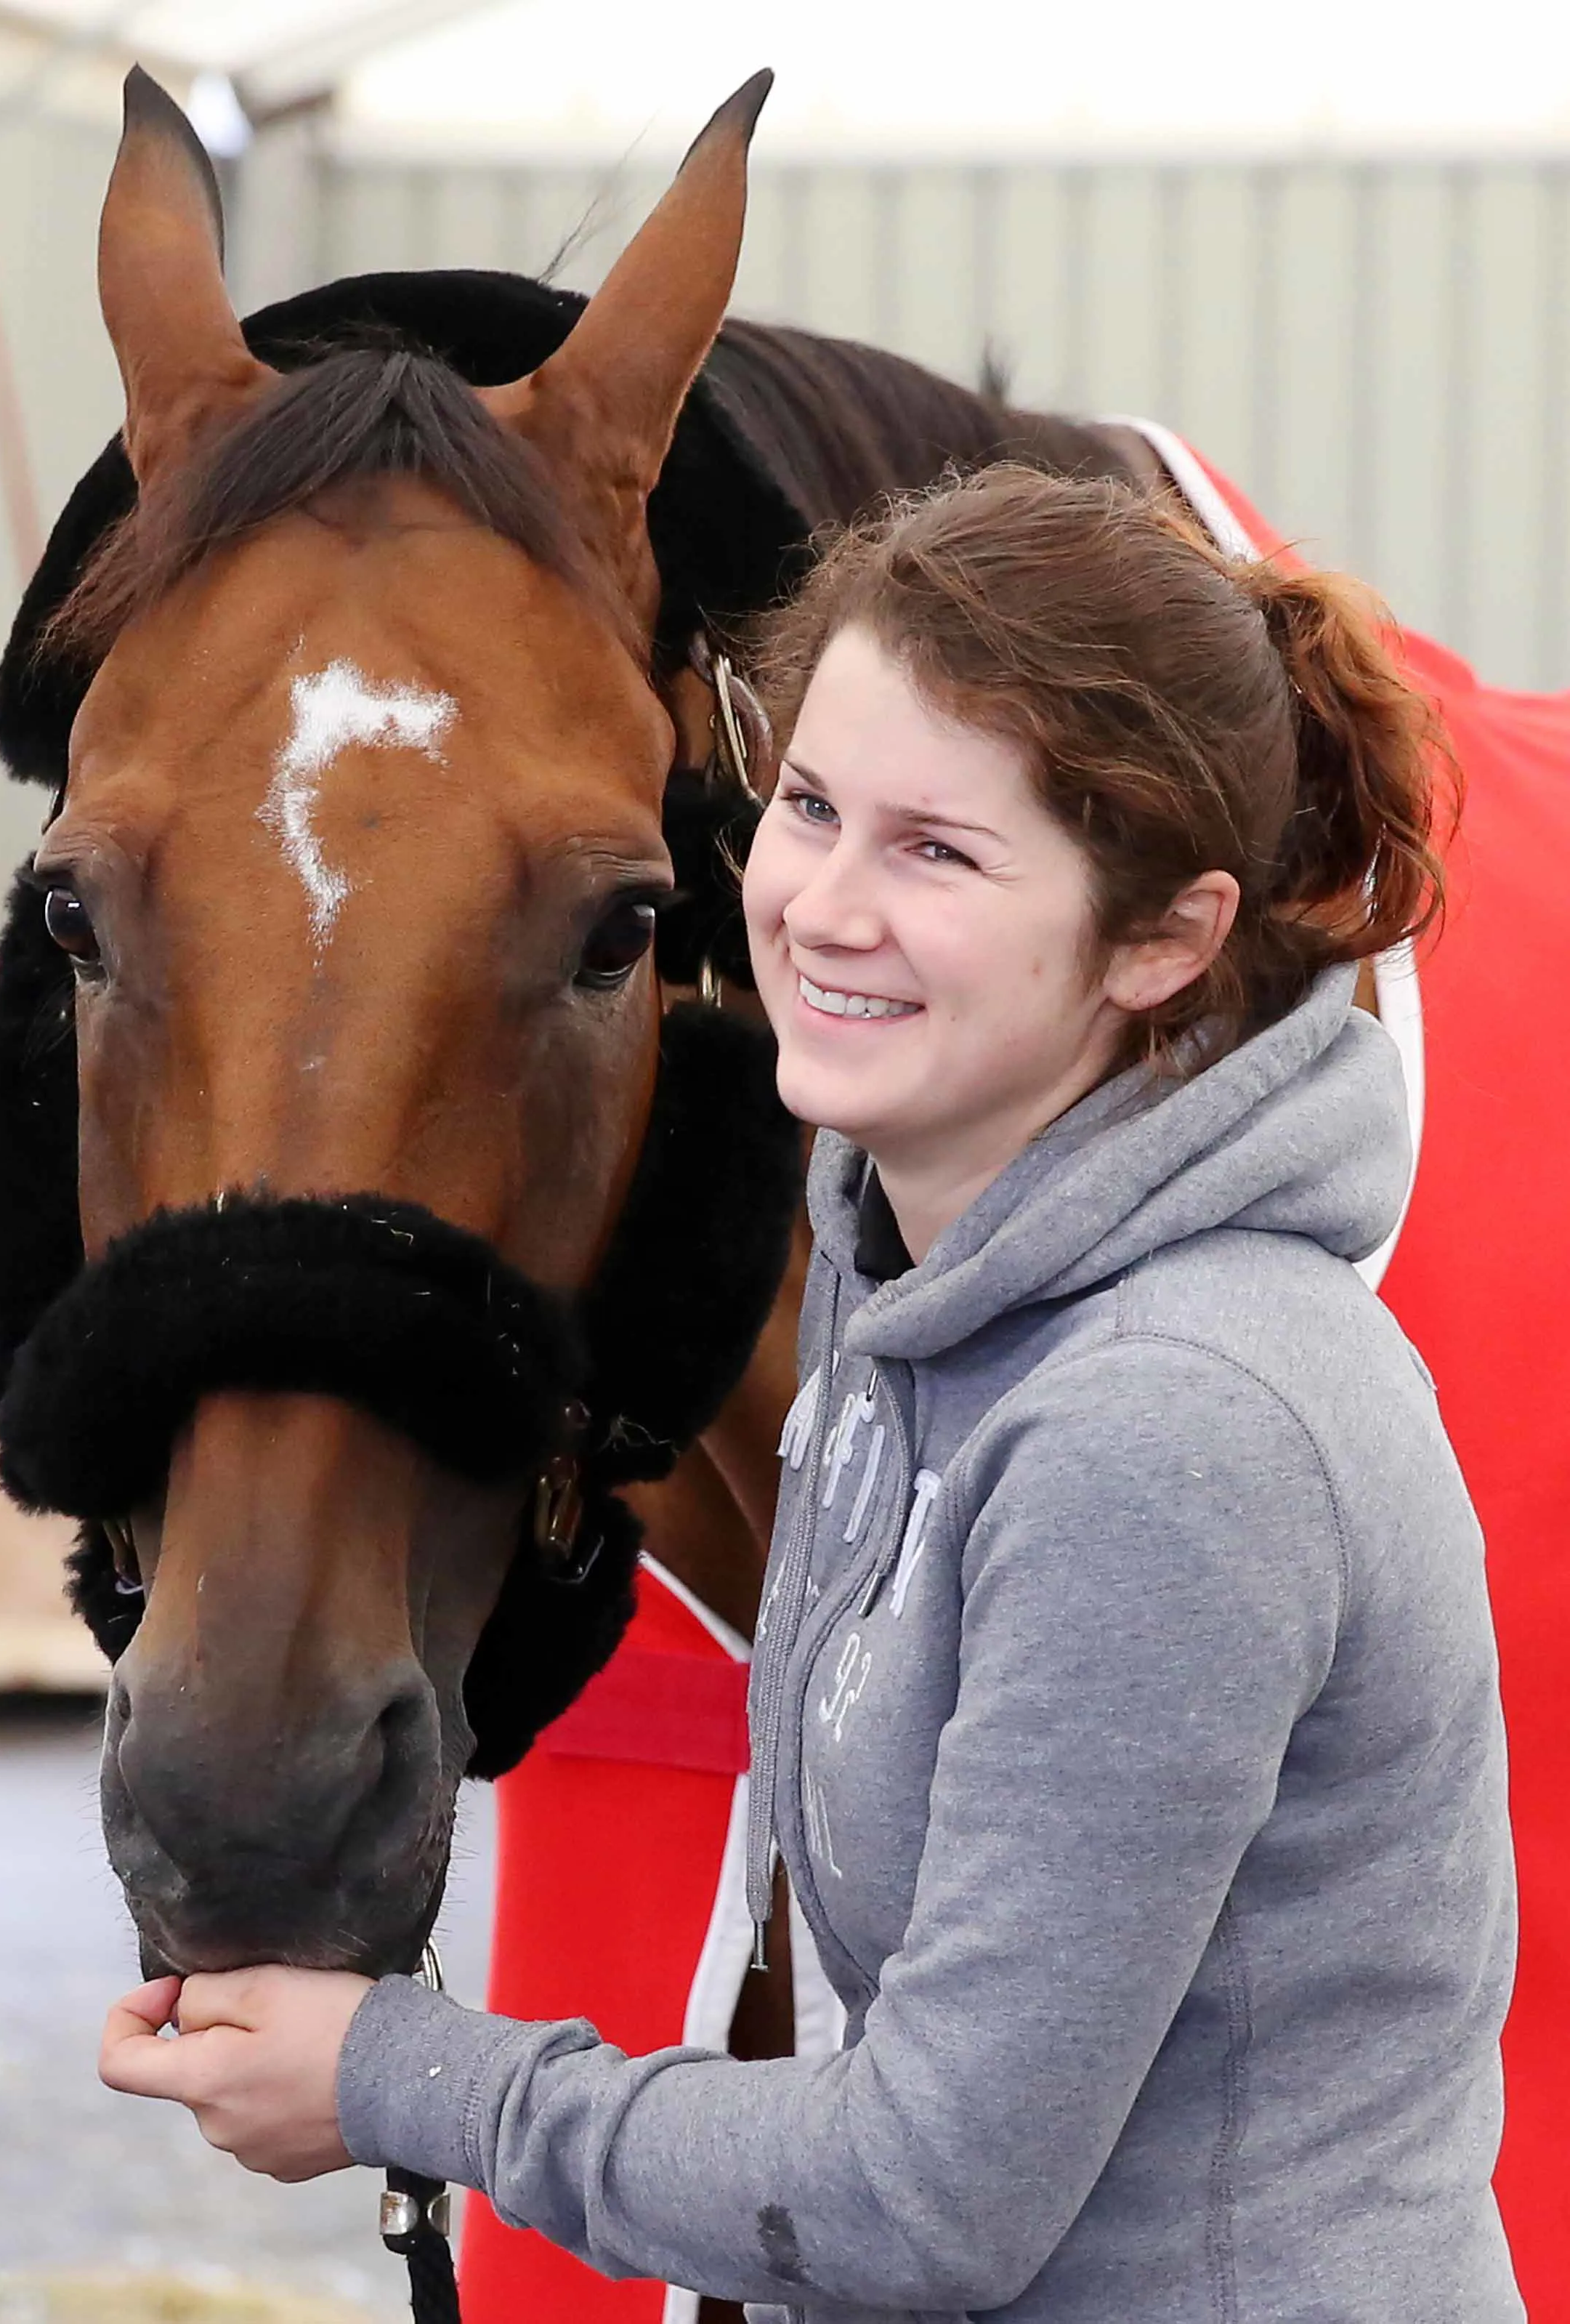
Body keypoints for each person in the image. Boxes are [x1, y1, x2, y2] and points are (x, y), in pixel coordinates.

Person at [99, 467, 1521, 2322]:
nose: (823, 909)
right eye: (814, 809)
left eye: (940, 851)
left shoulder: (1170, 1433)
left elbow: (926, 2198)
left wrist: (389, 2076)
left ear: (1163, 940)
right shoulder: (907, 1293)